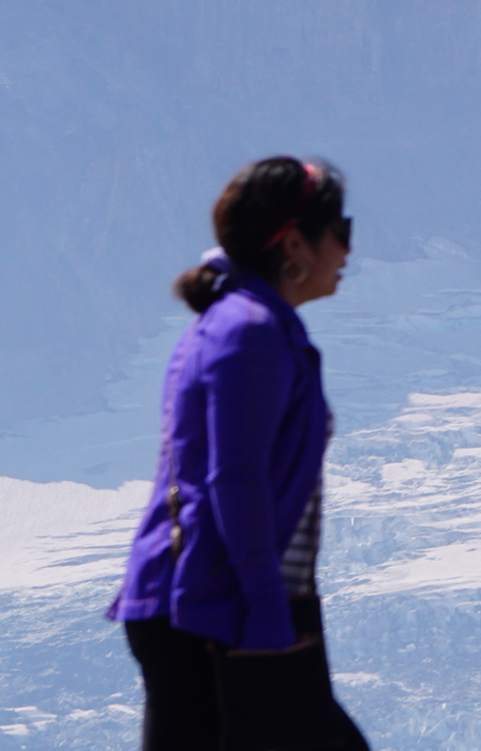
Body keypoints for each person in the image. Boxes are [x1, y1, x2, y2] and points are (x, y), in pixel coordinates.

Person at [108, 156, 367, 750]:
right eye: (341, 232)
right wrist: (268, 616)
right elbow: (235, 480)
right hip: (209, 610)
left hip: (226, 604)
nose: (348, 252)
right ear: (295, 242)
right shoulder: (247, 330)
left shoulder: (249, 324)